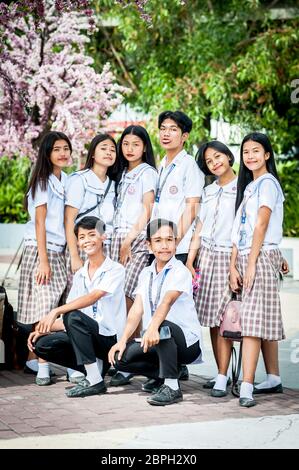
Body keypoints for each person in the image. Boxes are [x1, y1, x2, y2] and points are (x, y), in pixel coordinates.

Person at [218, 132, 287, 407]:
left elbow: (261, 225)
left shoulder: (268, 183)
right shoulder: (249, 187)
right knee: (259, 319)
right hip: (247, 256)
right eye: (246, 151)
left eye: (256, 151)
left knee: (252, 325)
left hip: (258, 255)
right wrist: (233, 265)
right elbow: (238, 230)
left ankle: (246, 386)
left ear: (267, 154)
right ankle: (273, 377)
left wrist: (251, 263)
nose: (250, 156)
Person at [28, 216, 128, 398]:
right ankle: (93, 372)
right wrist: (43, 328)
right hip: (89, 340)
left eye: (92, 235)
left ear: (103, 237)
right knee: (40, 344)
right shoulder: (81, 274)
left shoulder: (115, 269)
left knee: (71, 315)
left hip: (109, 341)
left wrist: (56, 310)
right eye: (82, 237)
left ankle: (95, 380)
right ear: (78, 242)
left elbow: (93, 297)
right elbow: (72, 316)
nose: (87, 240)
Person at [108, 219, 203, 406]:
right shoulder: (146, 273)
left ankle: (172, 386)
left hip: (186, 343)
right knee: (120, 359)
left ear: (176, 243)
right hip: (156, 337)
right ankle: (162, 375)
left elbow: (166, 302)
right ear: (149, 245)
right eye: (158, 241)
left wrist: (152, 327)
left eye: (169, 240)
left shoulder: (180, 271)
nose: (165, 246)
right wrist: (122, 340)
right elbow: (136, 309)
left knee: (163, 325)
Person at [150, 110, 205, 381]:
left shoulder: (189, 167)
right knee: (160, 302)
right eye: (163, 128)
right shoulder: (162, 163)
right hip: (162, 246)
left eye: (172, 129)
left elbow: (192, 208)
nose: (166, 133)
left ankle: (178, 364)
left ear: (184, 136)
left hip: (177, 248)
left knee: (175, 305)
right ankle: (165, 364)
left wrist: (173, 244)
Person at [17, 131, 71, 386]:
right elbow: (40, 222)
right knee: (44, 306)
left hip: (59, 249)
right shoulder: (42, 179)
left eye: (66, 148)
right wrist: (43, 260)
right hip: (41, 249)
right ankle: (42, 366)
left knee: (56, 304)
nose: (62, 153)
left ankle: (35, 356)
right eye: (56, 149)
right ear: (47, 154)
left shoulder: (66, 179)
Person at [186, 141, 237, 393]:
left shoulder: (244, 188)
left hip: (230, 257)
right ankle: (222, 373)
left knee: (227, 318)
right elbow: (199, 228)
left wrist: (235, 265)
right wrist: (190, 261)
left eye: (218, 156)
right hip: (206, 257)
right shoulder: (208, 192)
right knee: (212, 321)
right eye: (209, 161)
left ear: (228, 157)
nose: (215, 162)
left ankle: (222, 375)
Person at [64, 134, 117, 294]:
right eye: (103, 148)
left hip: (104, 247)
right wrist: (74, 255)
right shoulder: (79, 179)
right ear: (93, 153)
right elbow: (69, 220)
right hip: (82, 246)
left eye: (112, 150)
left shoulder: (114, 184)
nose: (109, 152)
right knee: (77, 295)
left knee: (99, 297)